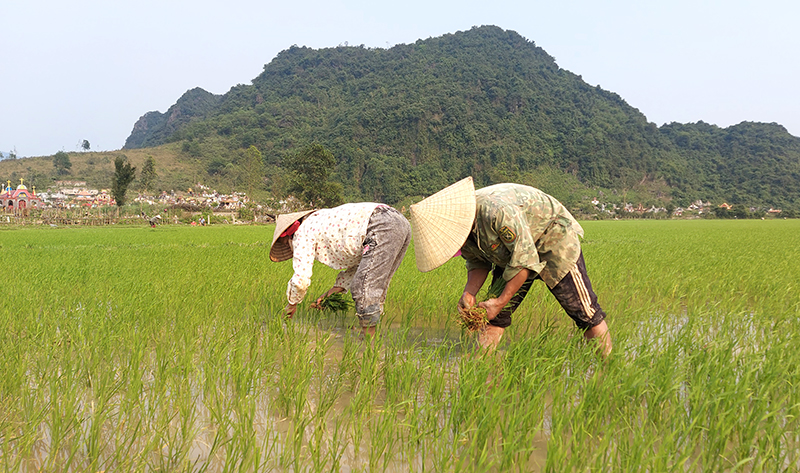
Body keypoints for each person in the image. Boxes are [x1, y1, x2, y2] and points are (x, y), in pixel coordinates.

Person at [410, 177, 612, 356]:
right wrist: (469, 293)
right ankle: (482, 371)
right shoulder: (460, 232)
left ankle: (608, 368)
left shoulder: (495, 212)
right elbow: (477, 261)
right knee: (495, 318)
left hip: (552, 240)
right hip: (512, 254)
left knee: (585, 313)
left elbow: (525, 261)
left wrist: (499, 302)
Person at [270, 203, 411, 337]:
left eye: (285, 243)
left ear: (288, 235)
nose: (290, 247)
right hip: (400, 222)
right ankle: (369, 337)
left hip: (379, 224)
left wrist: (291, 305)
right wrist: (331, 292)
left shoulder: (301, 233)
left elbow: (301, 279)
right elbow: (361, 265)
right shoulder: (320, 219)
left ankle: (370, 345)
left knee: (363, 288)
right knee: (373, 284)